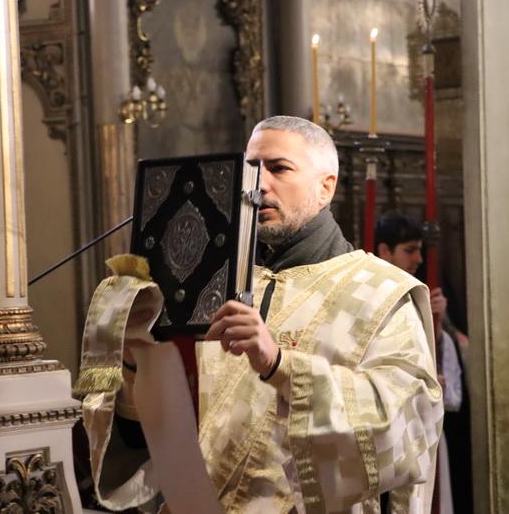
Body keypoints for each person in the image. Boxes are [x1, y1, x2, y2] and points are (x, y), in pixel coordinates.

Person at [87, 116, 443, 513]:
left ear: (325, 187)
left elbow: (407, 425)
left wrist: (279, 365)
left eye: (279, 168)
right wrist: (137, 360)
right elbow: (162, 435)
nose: (259, 184)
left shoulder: (382, 292)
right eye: (251, 169)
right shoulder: (211, 283)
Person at [375, 211, 474, 514]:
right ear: (385, 251)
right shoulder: (371, 293)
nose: (418, 259)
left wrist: (437, 325)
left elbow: (443, 370)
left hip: (422, 427)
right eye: (410, 250)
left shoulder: (420, 295)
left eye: (420, 250)